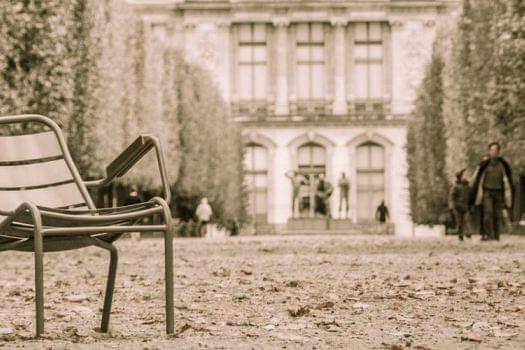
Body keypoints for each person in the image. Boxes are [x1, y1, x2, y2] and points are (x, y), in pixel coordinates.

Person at [469, 142, 513, 241]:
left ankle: (496, 235)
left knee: (497, 214)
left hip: (499, 192)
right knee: (488, 213)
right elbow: (476, 177)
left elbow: (508, 179)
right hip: (487, 192)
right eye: (492, 150)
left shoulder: (503, 165)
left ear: (498, 152)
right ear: (489, 151)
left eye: (496, 150)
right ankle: (488, 234)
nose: (494, 152)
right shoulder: (484, 164)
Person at [449, 169, 471, 241]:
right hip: (457, 207)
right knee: (459, 222)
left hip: (465, 206)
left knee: (467, 220)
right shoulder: (455, 186)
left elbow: (471, 197)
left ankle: (468, 232)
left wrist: (471, 205)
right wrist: (452, 206)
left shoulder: (468, 187)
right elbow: (452, 197)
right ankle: (460, 235)